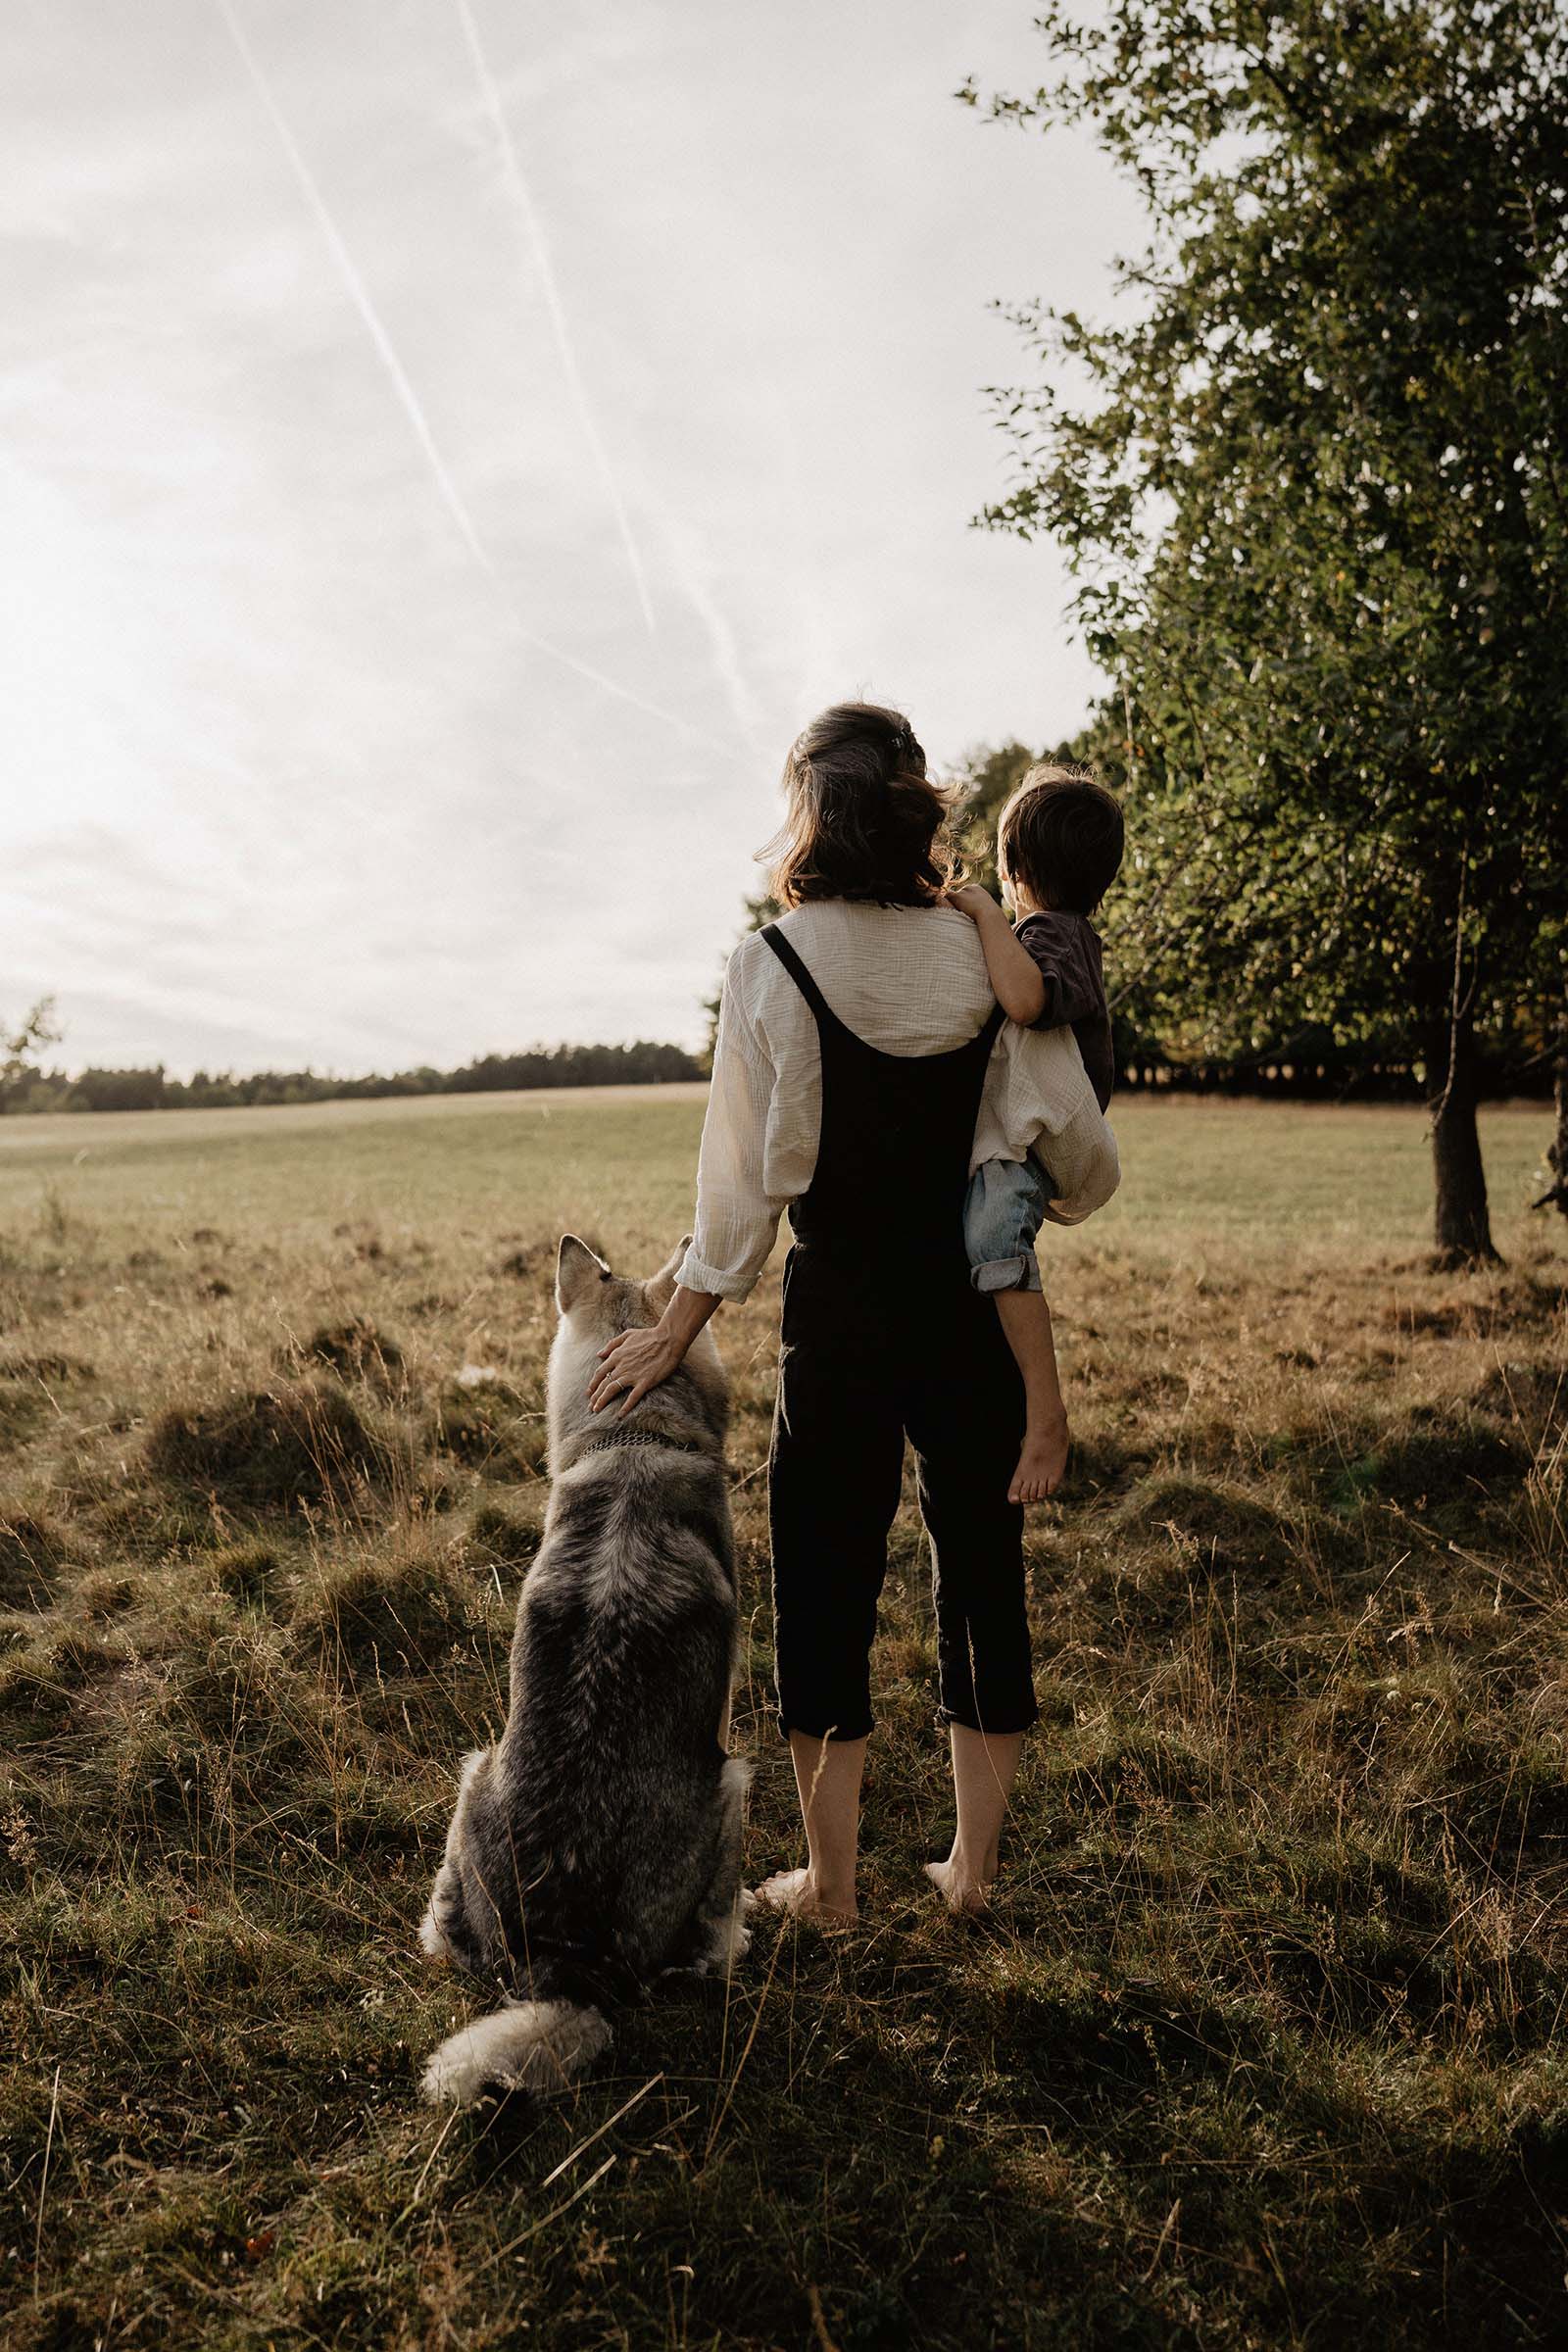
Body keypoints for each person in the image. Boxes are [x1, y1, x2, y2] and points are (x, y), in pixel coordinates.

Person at [587, 704, 1119, 1920]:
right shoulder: (994, 958)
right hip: (973, 1317)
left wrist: (679, 1320)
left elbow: (742, 1188)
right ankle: (971, 1876)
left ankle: (829, 1886)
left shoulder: (772, 961)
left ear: (810, 811)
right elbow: (1071, 1148)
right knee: (983, 1571)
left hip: (840, 1320)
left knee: (825, 1583)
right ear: (914, 807)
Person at [946, 764, 1123, 1505]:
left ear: (1014, 869)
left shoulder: (1053, 933)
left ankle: (1046, 1414)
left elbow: (1024, 1001)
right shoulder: (1058, 931)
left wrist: (986, 916)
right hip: (1035, 1130)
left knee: (993, 1237)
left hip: (1051, 1133)